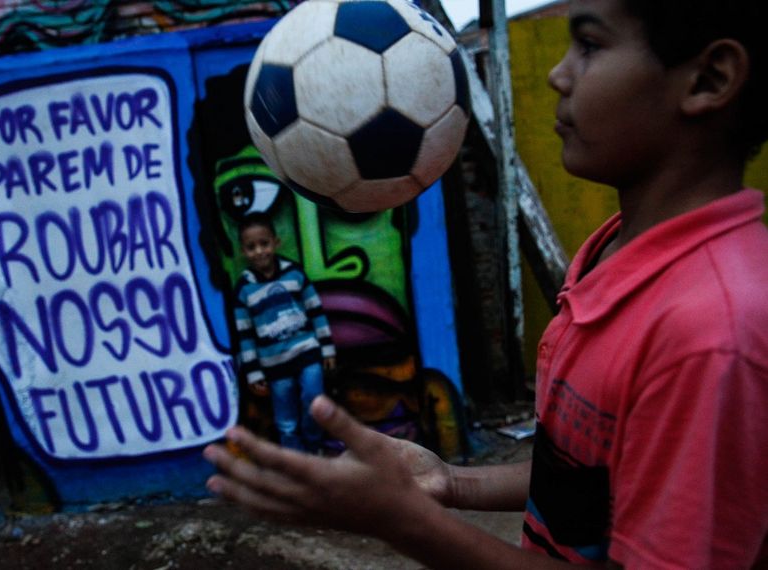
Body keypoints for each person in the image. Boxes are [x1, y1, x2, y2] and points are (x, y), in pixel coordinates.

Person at [203, 0, 768, 567]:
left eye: (591, 45)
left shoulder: (713, 335)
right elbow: (601, 477)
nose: (558, 72)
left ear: (709, 79)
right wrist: (449, 483)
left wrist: (405, 523)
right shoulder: (613, 253)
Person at [232, 212, 336, 453]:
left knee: (314, 401)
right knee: (285, 421)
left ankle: (314, 448)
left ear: (275, 243)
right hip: (275, 364)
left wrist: (327, 348)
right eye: (251, 247)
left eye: (264, 244)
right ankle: (296, 463)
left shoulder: (294, 274)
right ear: (242, 251)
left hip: (307, 352)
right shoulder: (245, 289)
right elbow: (244, 334)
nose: (259, 251)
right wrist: (253, 372)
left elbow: (316, 311)